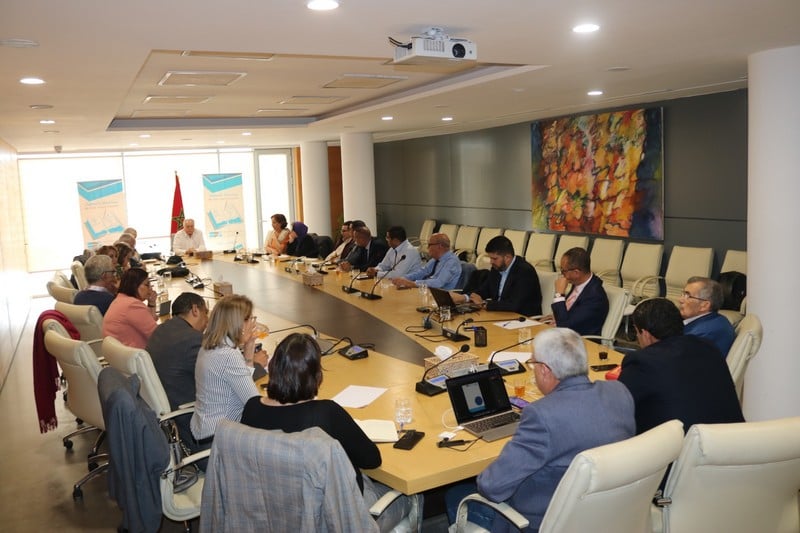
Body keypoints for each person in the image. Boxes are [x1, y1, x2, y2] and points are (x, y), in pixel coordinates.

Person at [445, 328, 635, 532]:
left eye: (533, 364)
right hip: (608, 514)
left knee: (456, 495)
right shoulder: (619, 392)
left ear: (544, 369)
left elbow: (491, 486)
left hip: (544, 522)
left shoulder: (542, 415)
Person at [240, 333, 411, 532]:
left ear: (274, 368)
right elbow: (371, 459)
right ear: (316, 375)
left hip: (271, 514)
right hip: (330, 521)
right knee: (410, 497)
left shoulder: (252, 407)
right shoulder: (325, 413)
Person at [618, 298, 744, 436]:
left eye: (637, 332)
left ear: (646, 335)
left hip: (683, 445)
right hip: (733, 438)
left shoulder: (642, 361)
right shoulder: (708, 347)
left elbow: (618, 405)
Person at [191, 294, 268, 444]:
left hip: (204, 428)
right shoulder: (228, 355)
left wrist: (249, 348)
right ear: (237, 323)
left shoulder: (212, 345)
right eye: (249, 319)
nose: (252, 324)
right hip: (217, 438)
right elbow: (254, 404)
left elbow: (244, 381)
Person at [146, 292, 209, 453]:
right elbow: (219, 379)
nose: (207, 320)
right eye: (206, 313)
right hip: (190, 424)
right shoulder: (193, 339)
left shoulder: (161, 329)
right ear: (195, 310)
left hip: (165, 414)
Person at [451, 235, 542, 316]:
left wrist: (483, 304)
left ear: (507, 257)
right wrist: (465, 298)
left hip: (523, 319)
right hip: (500, 314)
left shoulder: (525, 271)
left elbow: (514, 305)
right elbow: (485, 290)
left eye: (494, 258)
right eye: (490, 258)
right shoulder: (497, 268)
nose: (491, 262)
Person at [545, 247, 608, 335]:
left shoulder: (595, 297)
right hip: (559, 331)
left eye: (563, 271)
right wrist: (552, 317)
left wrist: (559, 294)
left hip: (576, 339)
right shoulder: (578, 283)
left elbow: (564, 327)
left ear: (576, 273)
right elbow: (571, 313)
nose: (562, 274)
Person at [678, 276, 735, 356]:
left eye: (688, 296)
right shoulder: (716, 320)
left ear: (704, 305)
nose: (680, 300)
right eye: (683, 294)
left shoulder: (702, 334)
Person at [102, 267, 158, 348]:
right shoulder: (132, 305)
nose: (150, 288)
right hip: (138, 353)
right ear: (134, 285)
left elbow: (149, 322)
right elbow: (156, 335)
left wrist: (151, 303)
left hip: (120, 353)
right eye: (147, 285)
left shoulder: (121, 299)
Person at [393, 232, 462, 290]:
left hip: (440, 297)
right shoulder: (435, 259)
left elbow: (438, 283)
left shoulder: (452, 262)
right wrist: (404, 279)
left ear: (439, 246)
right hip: (427, 292)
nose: (427, 248)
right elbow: (421, 273)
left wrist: (414, 284)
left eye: (430, 245)